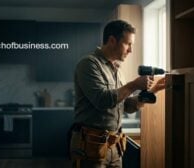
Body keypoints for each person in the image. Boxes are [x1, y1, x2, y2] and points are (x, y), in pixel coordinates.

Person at [69, 20, 165, 168]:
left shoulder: (118, 70)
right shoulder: (89, 64)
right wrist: (134, 85)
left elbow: (125, 105)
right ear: (112, 40)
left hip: (115, 146)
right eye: (128, 44)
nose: (130, 50)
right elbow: (102, 100)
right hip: (90, 146)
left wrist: (152, 92)